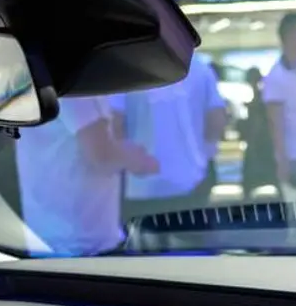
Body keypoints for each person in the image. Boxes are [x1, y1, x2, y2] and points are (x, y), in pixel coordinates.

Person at [15, 95, 159, 255]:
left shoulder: (49, 89)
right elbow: (103, 157)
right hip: (82, 247)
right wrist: (142, 160)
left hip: (57, 241)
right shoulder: (76, 92)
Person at [111, 51, 227, 223]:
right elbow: (216, 119)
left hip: (141, 184)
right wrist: (204, 155)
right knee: (193, 236)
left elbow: (114, 123)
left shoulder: (124, 66)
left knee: (144, 237)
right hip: (192, 180)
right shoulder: (198, 66)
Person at [261, 13, 296, 203]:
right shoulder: (276, 76)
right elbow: (275, 122)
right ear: (290, 37)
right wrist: (282, 159)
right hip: (295, 155)